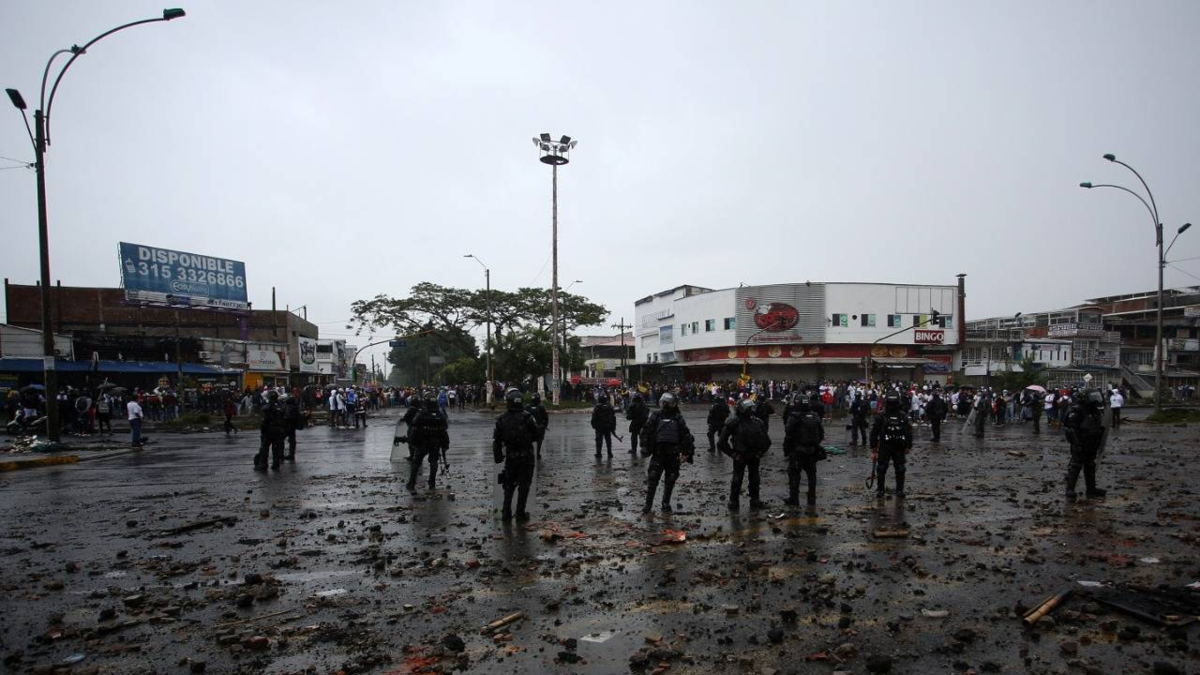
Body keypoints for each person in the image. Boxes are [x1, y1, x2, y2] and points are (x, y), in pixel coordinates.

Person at [639, 392, 694, 514]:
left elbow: (686, 436)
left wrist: (687, 452)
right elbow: (645, 431)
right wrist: (644, 447)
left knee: (670, 479)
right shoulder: (656, 415)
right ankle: (648, 504)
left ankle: (665, 503)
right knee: (653, 478)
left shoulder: (677, 417)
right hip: (659, 452)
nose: (663, 405)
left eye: (665, 403)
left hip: (672, 454)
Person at [493, 388, 543, 521]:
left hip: (511, 457)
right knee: (524, 486)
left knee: (509, 486)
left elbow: (497, 441)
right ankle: (520, 513)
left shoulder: (501, 419)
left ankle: (506, 512)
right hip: (526, 457)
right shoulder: (527, 417)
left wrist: (498, 457)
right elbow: (537, 434)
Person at [718, 398, 772, 510]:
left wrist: (760, 452)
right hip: (740, 455)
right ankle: (734, 501)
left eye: (751, 408)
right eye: (748, 408)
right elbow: (721, 442)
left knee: (754, 479)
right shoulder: (734, 423)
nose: (750, 411)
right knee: (737, 479)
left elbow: (766, 441)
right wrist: (733, 454)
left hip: (753, 455)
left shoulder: (758, 422)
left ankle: (754, 500)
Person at [1063, 388, 1107, 502]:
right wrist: (1077, 443)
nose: (1095, 400)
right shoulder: (1077, 410)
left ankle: (1091, 489)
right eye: (1093, 397)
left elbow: (1097, 425)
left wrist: (1099, 437)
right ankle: (1070, 489)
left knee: (1090, 466)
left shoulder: (1094, 410)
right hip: (1081, 442)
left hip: (1092, 443)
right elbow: (1071, 429)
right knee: (1076, 466)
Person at [869, 392, 913, 499]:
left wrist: (908, 445)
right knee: (882, 468)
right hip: (886, 445)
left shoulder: (902, 415)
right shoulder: (882, 415)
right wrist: (873, 446)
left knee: (900, 468)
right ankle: (881, 490)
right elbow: (874, 431)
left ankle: (898, 490)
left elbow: (908, 432)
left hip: (898, 446)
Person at [783, 398, 824, 506]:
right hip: (812, 450)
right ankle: (811, 498)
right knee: (812, 475)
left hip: (798, 451)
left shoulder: (794, 416)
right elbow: (821, 433)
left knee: (794, 475)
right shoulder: (815, 416)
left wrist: (787, 449)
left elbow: (788, 433)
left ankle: (794, 499)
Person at [407, 392, 449, 491]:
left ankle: (412, 484)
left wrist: (412, 442)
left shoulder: (422, 413)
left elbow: (413, 425)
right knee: (434, 463)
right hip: (435, 443)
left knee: (416, 463)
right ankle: (432, 484)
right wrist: (445, 444)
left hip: (422, 442)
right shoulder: (440, 414)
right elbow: (445, 428)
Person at [257, 391, 288, 470]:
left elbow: (264, 420)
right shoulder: (281, 407)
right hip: (278, 430)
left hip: (269, 430)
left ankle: (263, 464)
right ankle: (276, 463)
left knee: (264, 447)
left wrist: (263, 429)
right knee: (276, 448)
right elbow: (285, 419)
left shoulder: (267, 407)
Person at [526, 393, 550, 458]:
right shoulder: (541, 407)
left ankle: (533, 453)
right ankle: (537, 453)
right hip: (537, 429)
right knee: (539, 440)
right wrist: (544, 425)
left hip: (531, 429)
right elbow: (546, 418)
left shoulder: (527, 407)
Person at [284, 394, 303, 460]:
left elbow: (286, 417)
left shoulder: (287, 408)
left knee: (281, 440)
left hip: (286, 426)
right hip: (292, 426)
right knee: (292, 441)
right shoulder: (295, 408)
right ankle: (291, 454)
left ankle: (281, 454)